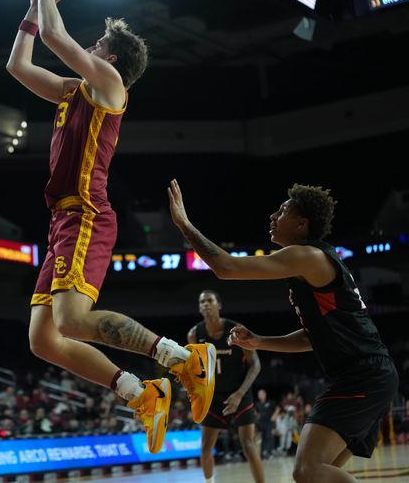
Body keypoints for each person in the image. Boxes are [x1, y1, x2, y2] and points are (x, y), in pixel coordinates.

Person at [5, 0, 215, 453]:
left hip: (86, 214)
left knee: (74, 320)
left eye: (99, 44)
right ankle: (140, 392)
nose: (91, 47)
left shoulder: (110, 86)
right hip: (60, 222)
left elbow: (58, 39)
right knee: (44, 339)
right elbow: (17, 64)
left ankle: (183, 359)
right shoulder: (72, 90)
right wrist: (34, 7)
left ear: (112, 58)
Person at [168, 180, 399, 483]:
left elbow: (226, 268)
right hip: (370, 375)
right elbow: (310, 339)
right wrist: (260, 341)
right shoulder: (308, 267)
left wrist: (185, 225)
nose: (273, 217)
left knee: (306, 470)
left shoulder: (307, 257)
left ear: (302, 224)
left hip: (362, 376)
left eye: (282, 211)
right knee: (316, 477)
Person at [187, 290, 264, 483]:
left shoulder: (236, 330)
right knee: (205, 448)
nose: (205, 304)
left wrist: (239, 394)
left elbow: (255, 364)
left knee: (248, 444)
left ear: (218, 305)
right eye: (202, 301)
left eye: (209, 300)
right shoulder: (195, 335)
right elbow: (197, 371)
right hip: (213, 395)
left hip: (240, 391)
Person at [255, 388, 277, 459]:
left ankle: (269, 452)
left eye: (261, 394)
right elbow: (256, 412)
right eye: (259, 395)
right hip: (260, 423)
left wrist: (274, 415)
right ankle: (264, 452)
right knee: (262, 438)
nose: (260, 396)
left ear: (265, 395)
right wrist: (257, 417)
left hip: (269, 422)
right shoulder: (257, 404)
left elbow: (278, 408)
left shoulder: (270, 402)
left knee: (269, 436)